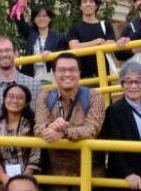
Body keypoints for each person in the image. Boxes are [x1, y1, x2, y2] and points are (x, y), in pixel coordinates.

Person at [32, 52, 106, 183]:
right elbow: (39, 127)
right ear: (54, 74)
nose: (67, 74)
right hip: (54, 179)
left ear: (79, 73)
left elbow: (92, 129)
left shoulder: (94, 96)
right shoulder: (44, 97)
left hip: (90, 178)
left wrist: (64, 133)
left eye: (72, 70)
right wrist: (51, 127)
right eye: (62, 70)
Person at [0, 83, 42, 188]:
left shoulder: (33, 125)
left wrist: (25, 176)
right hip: (3, 182)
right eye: (10, 96)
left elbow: (36, 154)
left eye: (20, 98)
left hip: (30, 180)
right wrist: (3, 177)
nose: (14, 100)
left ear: (26, 103)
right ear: (4, 99)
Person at [0, 36, 42, 127]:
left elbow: (42, 121)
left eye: (7, 50)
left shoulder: (34, 85)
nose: (4, 54)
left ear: (15, 53)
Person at [66, 0, 123, 76]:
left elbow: (111, 44)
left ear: (96, 6)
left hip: (104, 75)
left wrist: (83, 46)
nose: (88, 4)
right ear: (80, 6)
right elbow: (74, 47)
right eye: (84, 1)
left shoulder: (105, 25)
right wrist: (96, 42)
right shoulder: (75, 28)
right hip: (82, 77)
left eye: (91, 1)